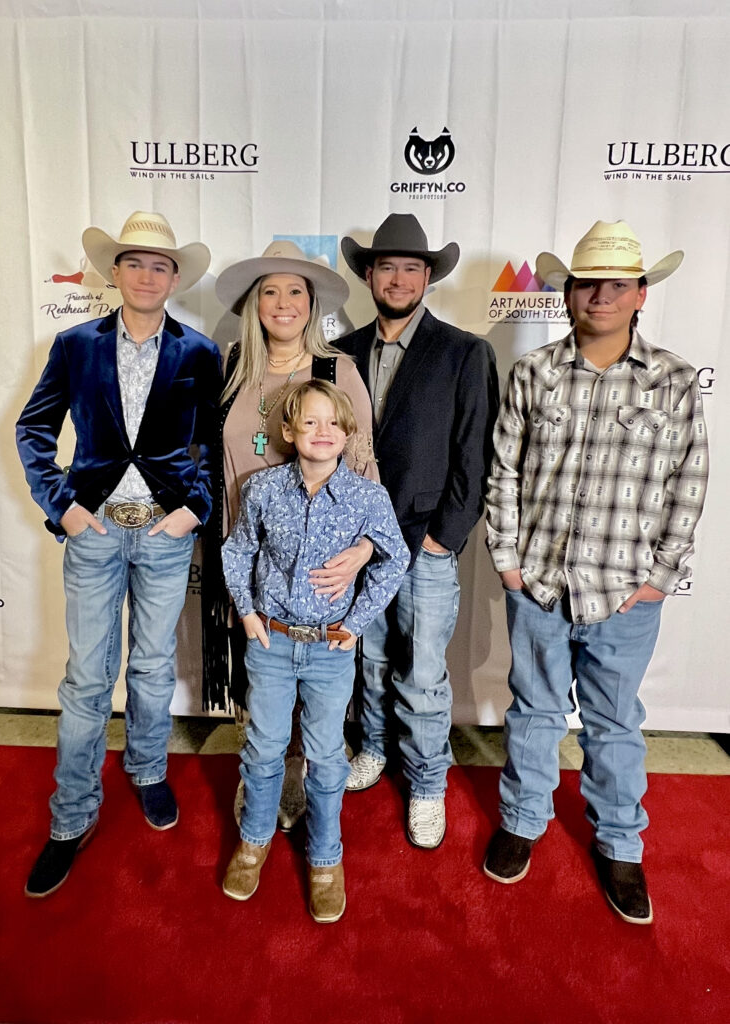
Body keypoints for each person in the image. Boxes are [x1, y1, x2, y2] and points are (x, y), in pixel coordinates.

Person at [483, 220, 709, 924]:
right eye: (588, 284)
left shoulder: (672, 378)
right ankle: (522, 820)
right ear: (568, 292)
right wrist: (510, 563)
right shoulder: (534, 373)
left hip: (625, 592)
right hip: (542, 584)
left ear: (641, 294)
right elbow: (505, 474)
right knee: (535, 713)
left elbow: (688, 483)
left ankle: (620, 844)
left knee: (614, 724)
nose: (601, 296)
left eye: (617, 284)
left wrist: (660, 577)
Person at [16, 211, 222, 897]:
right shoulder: (75, 345)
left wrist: (194, 509)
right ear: (114, 273)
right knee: (85, 677)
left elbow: (213, 445)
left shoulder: (198, 352)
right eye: (133, 263)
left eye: (159, 265)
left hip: (165, 535)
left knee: (156, 664)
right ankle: (71, 816)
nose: (145, 275)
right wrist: (64, 507)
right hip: (96, 531)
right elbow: (34, 426)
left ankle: (147, 768)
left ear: (174, 278)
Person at [336, 214, 499, 848]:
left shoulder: (465, 352)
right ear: (368, 276)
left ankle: (428, 781)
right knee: (370, 658)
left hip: (425, 541)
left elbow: (475, 454)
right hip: (358, 544)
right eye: (386, 267)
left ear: (427, 278)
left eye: (411, 268)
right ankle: (374, 747)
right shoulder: (340, 353)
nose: (398, 278)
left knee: (423, 674)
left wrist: (444, 537)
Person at [202, 241, 378, 830]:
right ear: (255, 305)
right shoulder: (232, 365)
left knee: (309, 676)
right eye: (270, 291)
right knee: (261, 667)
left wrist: (364, 550)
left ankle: (299, 770)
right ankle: (264, 770)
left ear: (312, 303)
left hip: (315, 563)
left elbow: (364, 468)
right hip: (244, 544)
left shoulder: (336, 370)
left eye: (295, 291)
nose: (282, 303)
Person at [221, 380, 409, 922]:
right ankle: (254, 841)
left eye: (333, 423)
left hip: (330, 649)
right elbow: (238, 551)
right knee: (263, 748)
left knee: (327, 757)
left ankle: (325, 858)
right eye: (309, 422)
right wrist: (249, 614)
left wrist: (356, 621)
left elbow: (393, 558)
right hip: (272, 643)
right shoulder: (262, 490)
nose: (322, 432)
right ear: (288, 432)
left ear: (348, 433)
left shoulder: (367, 497)